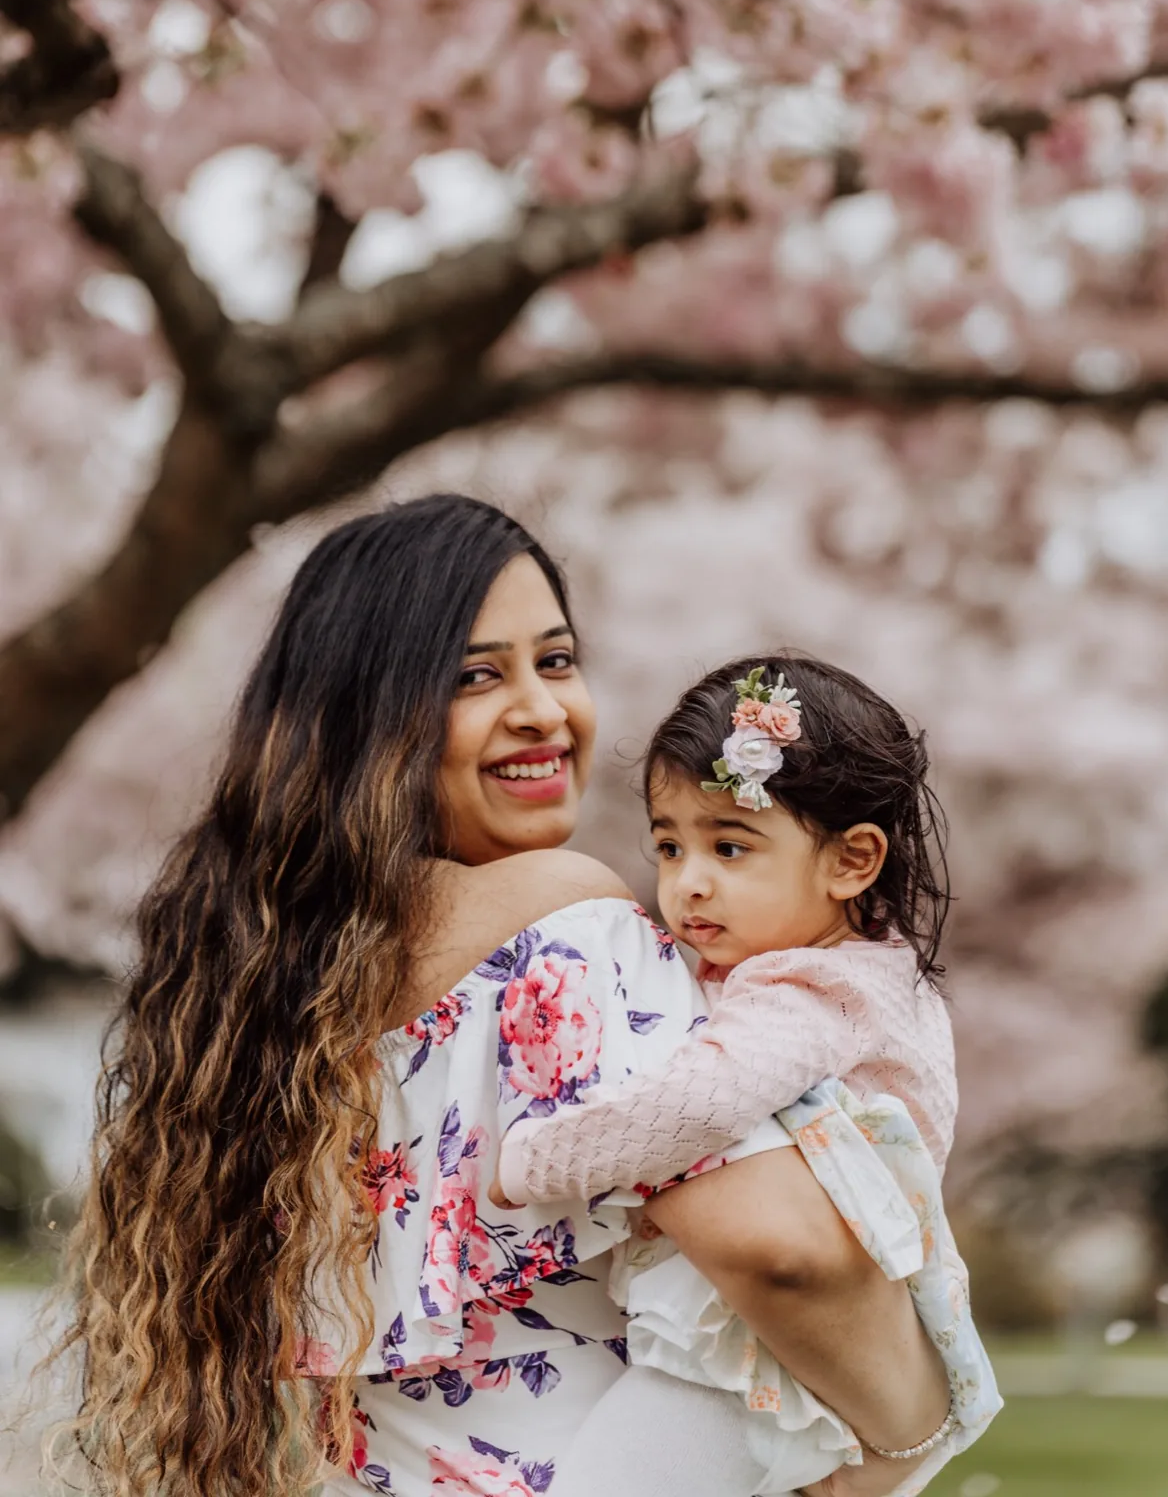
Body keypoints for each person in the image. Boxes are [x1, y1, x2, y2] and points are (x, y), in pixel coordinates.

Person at [53, 496, 950, 1497]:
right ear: (371, 713)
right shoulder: (565, 927)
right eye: (476, 675)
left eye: (556, 660)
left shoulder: (262, 987)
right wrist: (915, 1427)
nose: (543, 709)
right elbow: (780, 1250)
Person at [495, 658, 1000, 1494]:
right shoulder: (872, 976)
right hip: (805, 1367)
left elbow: (700, 1102)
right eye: (669, 844)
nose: (688, 882)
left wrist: (533, 1161)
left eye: (730, 846)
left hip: (737, 1369)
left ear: (851, 861)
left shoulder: (808, 992)